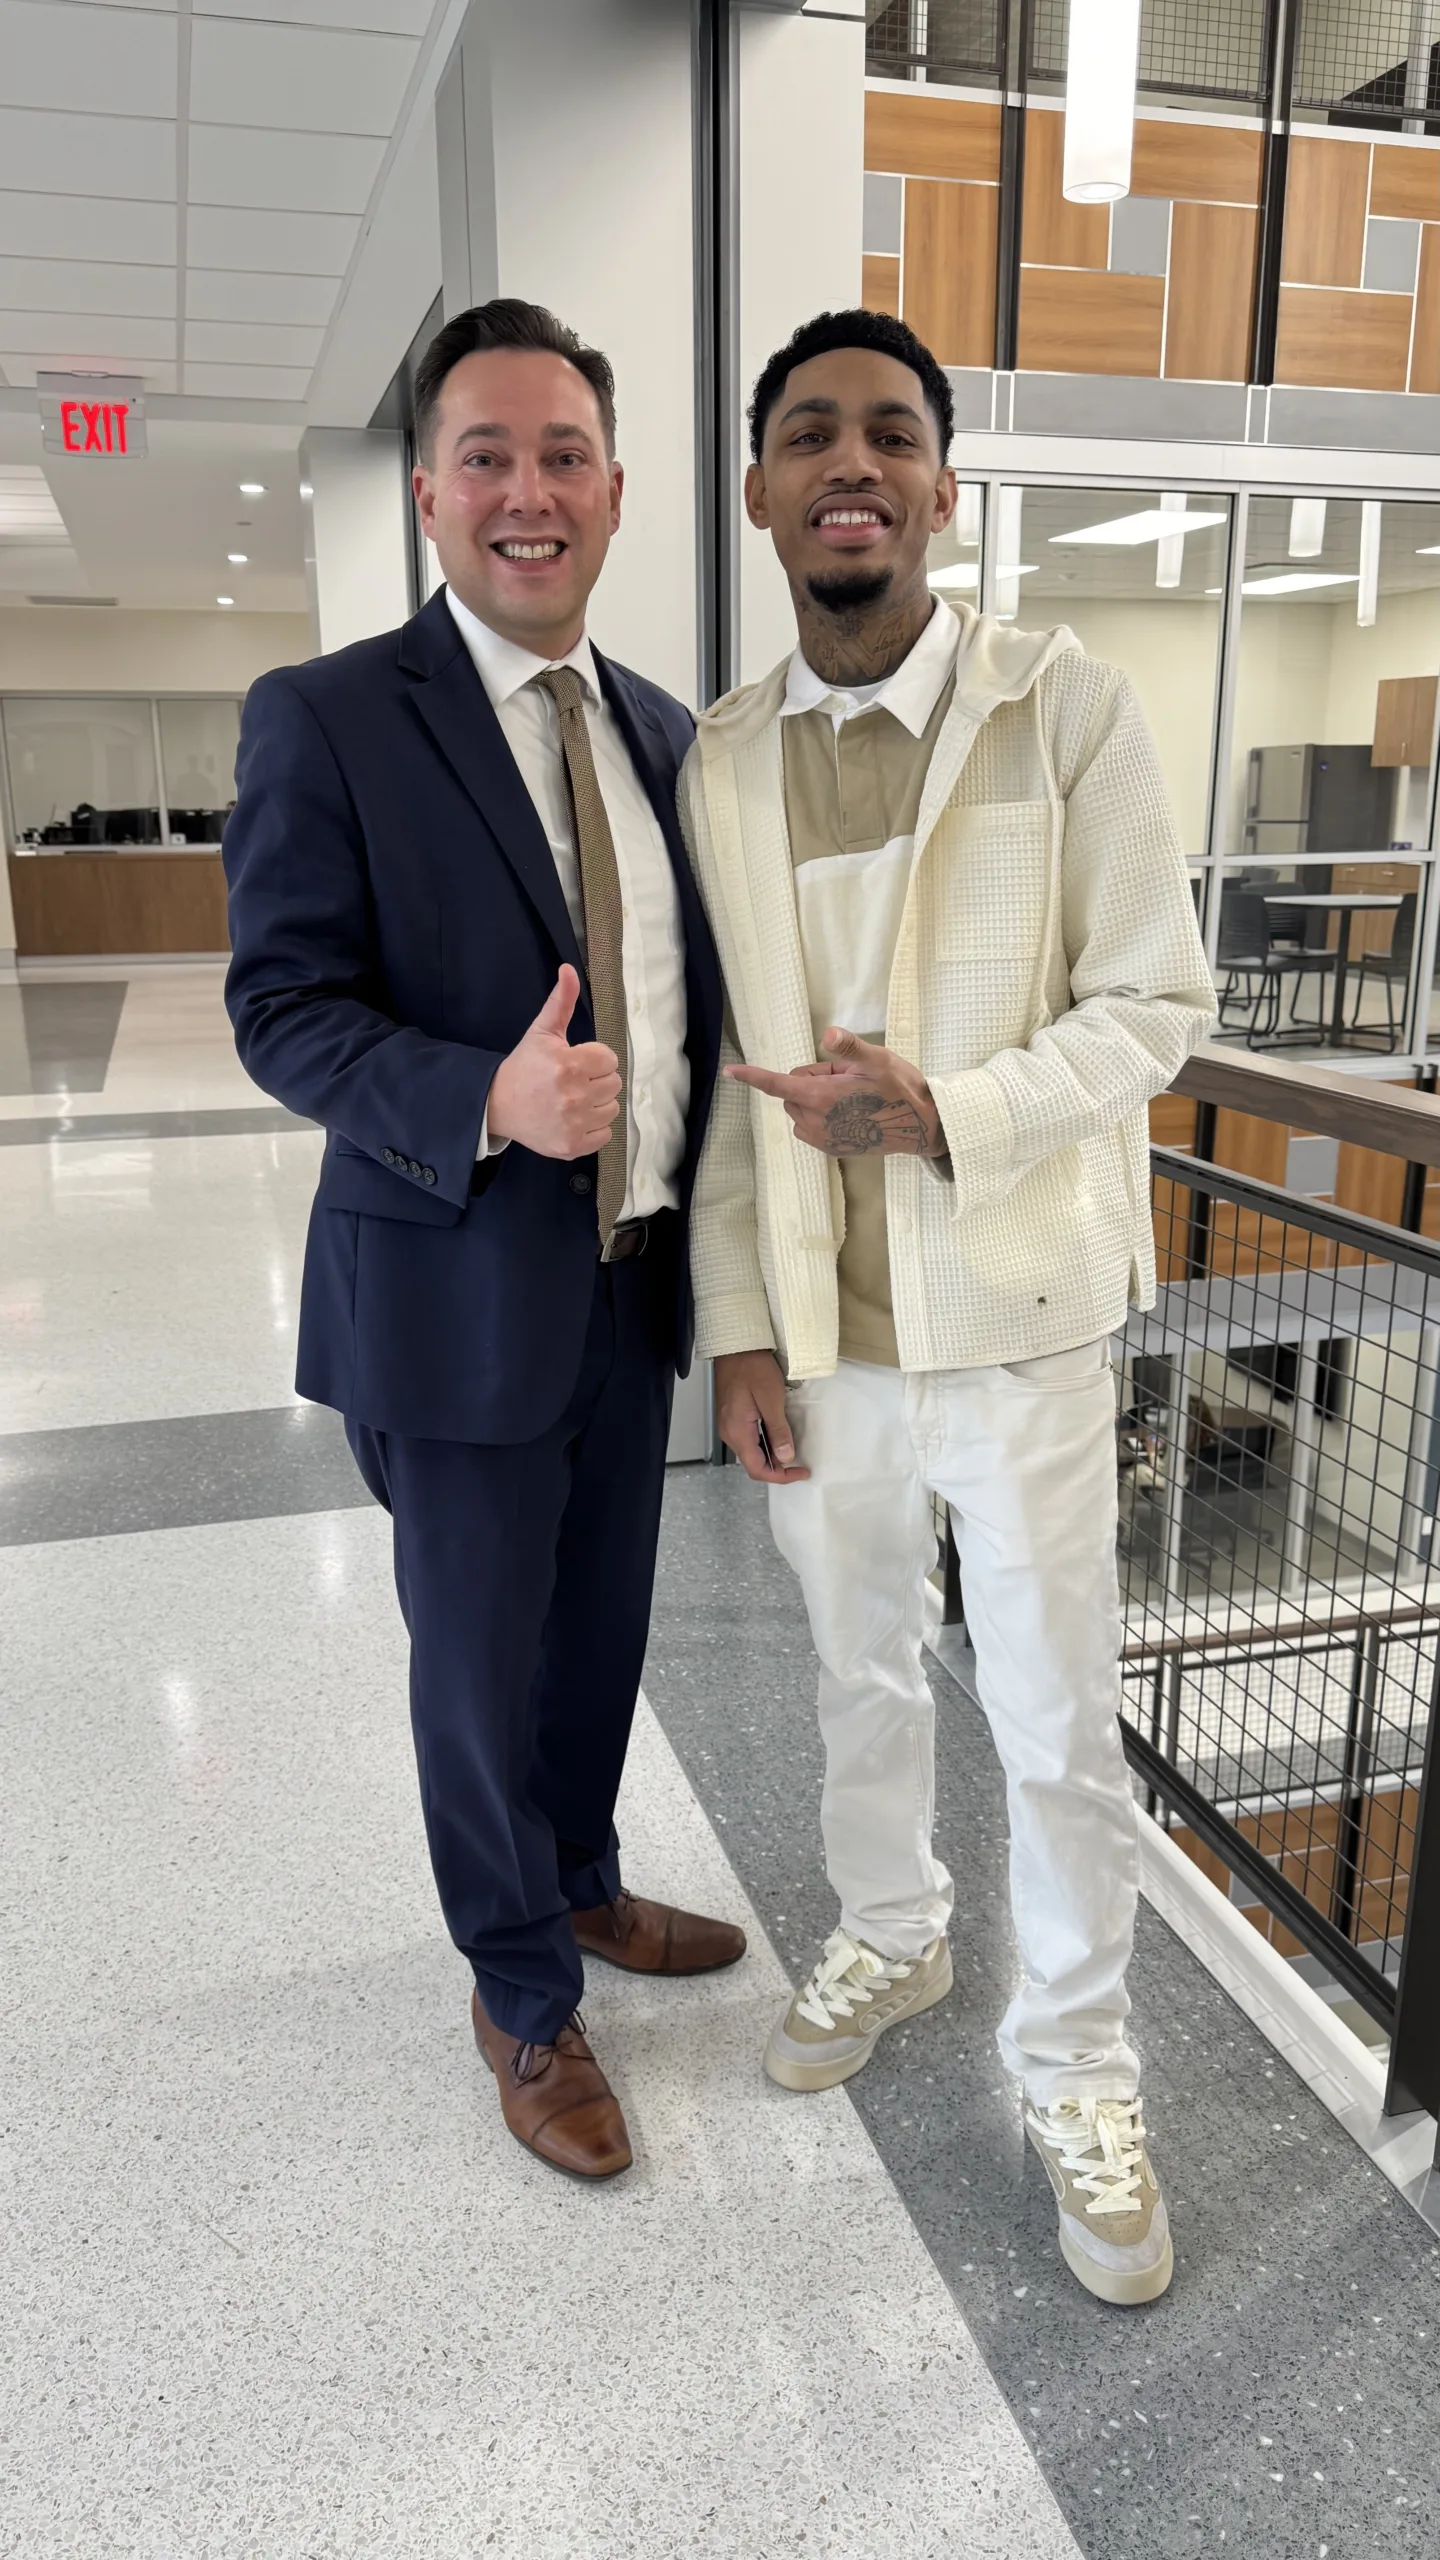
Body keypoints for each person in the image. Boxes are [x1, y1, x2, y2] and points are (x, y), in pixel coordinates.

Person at [682, 309, 1215, 2305]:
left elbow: (1155, 999)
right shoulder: (726, 755)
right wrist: (741, 1313)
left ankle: (1079, 2068)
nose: (852, 461)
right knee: (856, 1670)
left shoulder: (1063, 707)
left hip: (1019, 1314)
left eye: (892, 434)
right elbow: (733, 1071)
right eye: (810, 431)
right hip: (827, 1332)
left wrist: (946, 1109)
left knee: (1059, 1721)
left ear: (940, 491)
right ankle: (894, 1927)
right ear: (760, 492)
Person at [223, 298, 742, 2185]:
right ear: (433, 495)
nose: (532, 493)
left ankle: (584, 1879)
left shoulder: (667, 734)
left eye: (567, 457)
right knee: (475, 1660)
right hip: (451, 1291)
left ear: (613, 490)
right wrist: (481, 1100)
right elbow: (281, 1008)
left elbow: (690, 1010)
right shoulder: (334, 716)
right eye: (490, 459)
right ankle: (519, 1993)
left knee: (599, 1632)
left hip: (634, 1282)